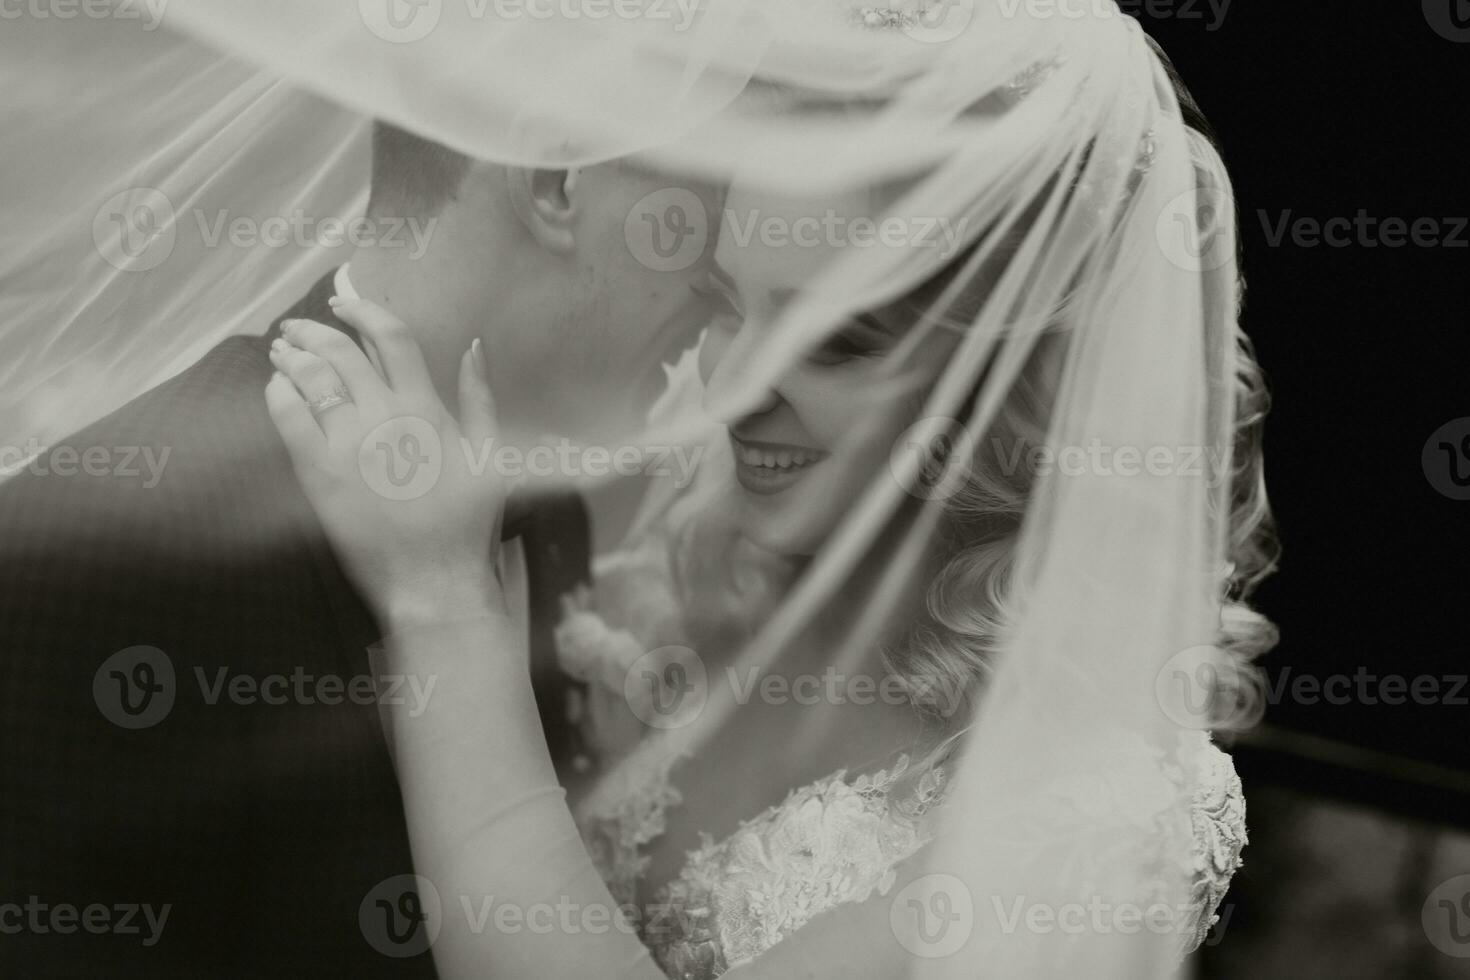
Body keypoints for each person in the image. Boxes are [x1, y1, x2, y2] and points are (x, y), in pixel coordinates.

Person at [264, 18, 1277, 978]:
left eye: (831, 344)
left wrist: (441, 602)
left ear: (1019, 396)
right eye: (726, 302)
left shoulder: (1112, 815)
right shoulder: (670, 539)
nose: (736, 385)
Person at [0, 120, 715, 976]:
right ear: (556, 180)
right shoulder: (98, 552)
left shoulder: (552, 515)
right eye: (706, 219)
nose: (726, 297)